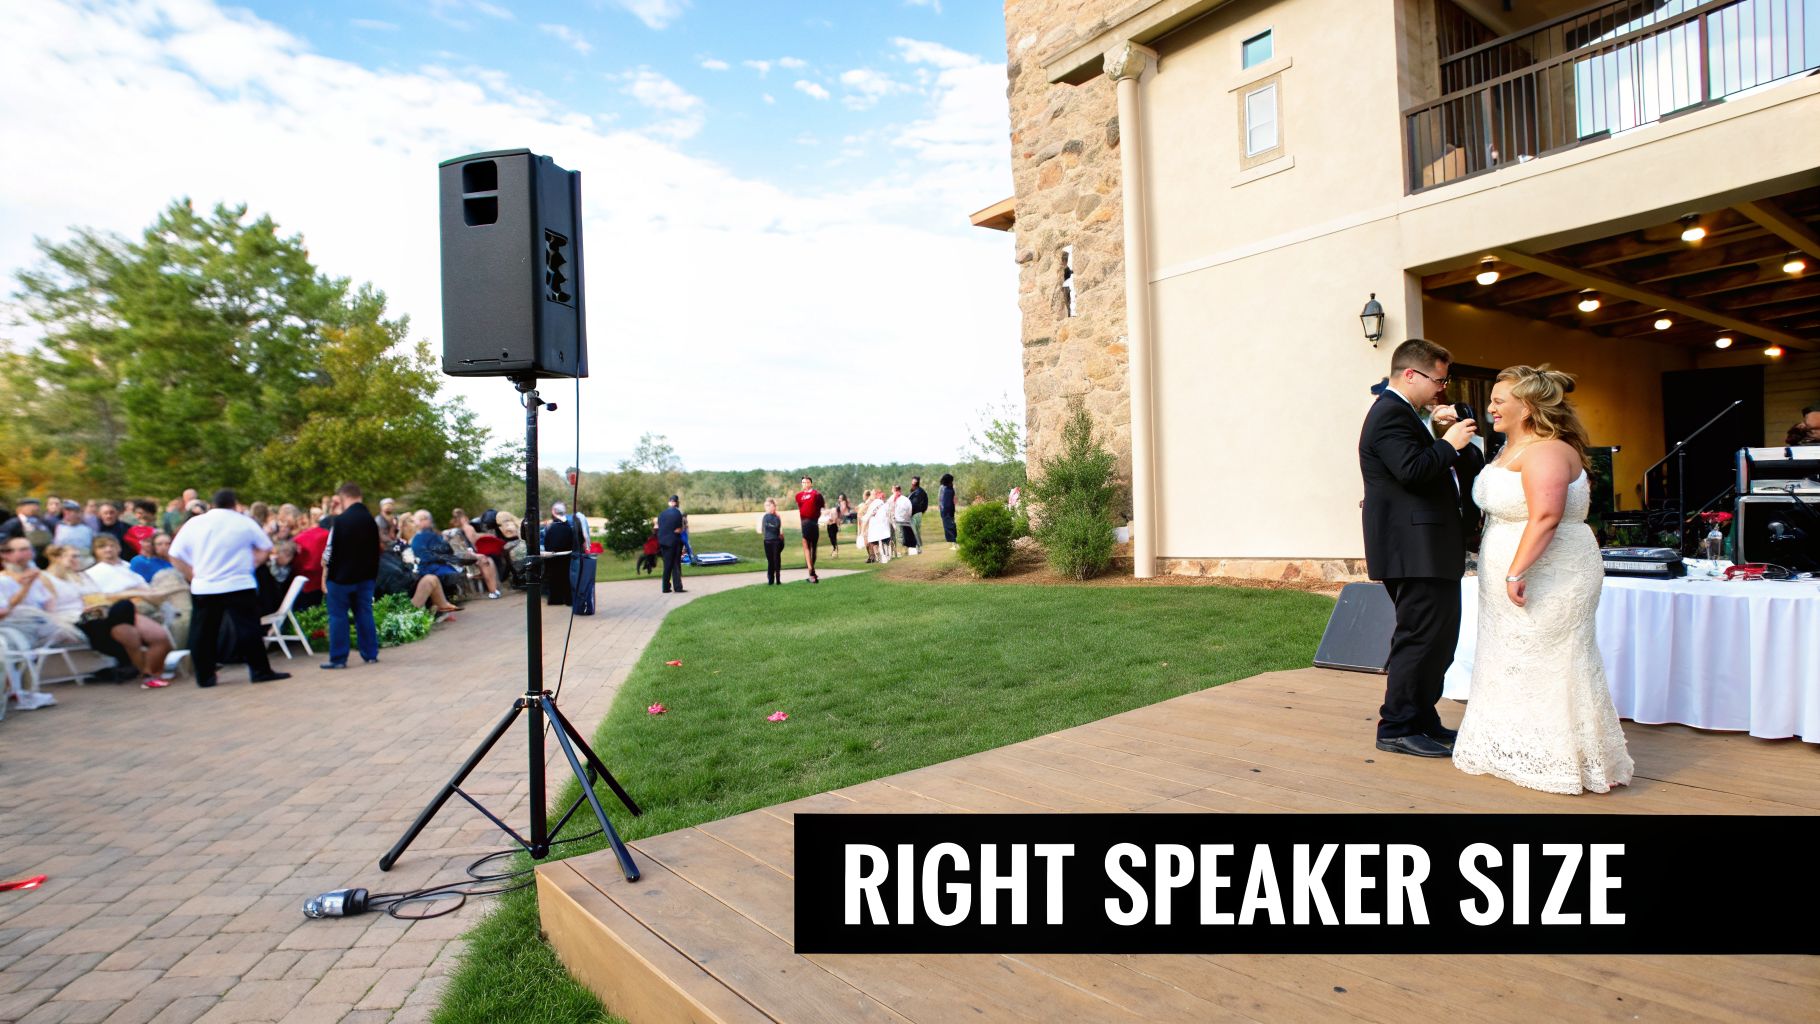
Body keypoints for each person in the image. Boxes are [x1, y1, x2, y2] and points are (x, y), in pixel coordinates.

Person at [1451, 366, 1634, 794]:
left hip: (1550, 572)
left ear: (1528, 407)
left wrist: (1517, 570)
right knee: (1512, 658)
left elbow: (1547, 516)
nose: (1491, 406)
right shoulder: (1507, 447)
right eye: (1492, 399)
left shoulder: (1547, 450)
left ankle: (1561, 758)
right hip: (1512, 570)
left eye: (1499, 400)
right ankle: (1513, 748)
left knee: (1553, 661)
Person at [1359, 338, 1485, 759]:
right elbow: (1413, 471)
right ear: (1410, 374)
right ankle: (1396, 726)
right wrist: (1447, 442)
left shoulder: (1410, 416)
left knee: (1439, 638)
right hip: (1412, 549)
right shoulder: (1388, 416)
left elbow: (1446, 468)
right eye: (1438, 379)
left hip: (1430, 547)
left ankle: (1420, 717)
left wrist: (1443, 434)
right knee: (1419, 637)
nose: (1441, 389)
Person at [170, 489, 290, 688]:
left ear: (212, 504)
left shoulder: (195, 523)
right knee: (248, 628)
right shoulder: (243, 522)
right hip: (238, 583)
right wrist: (252, 564)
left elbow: (174, 553)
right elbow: (265, 547)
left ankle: (205, 676)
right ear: (234, 504)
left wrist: (191, 575)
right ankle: (259, 671)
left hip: (205, 585)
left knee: (203, 632)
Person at [77, 535, 177, 687]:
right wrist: (131, 593)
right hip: (120, 610)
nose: (108, 549)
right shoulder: (91, 573)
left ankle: (153, 672)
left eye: (111, 545)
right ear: (95, 551)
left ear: (119, 547)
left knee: (162, 640)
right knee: (156, 637)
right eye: (102, 546)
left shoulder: (127, 566)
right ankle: (148, 674)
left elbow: (146, 588)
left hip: (147, 605)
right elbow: (95, 600)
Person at [320, 482, 382, 670]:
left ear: (344, 497)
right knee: (364, 613)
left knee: (338, 616)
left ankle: (338, 658)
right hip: (366, 576)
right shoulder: (371, 520)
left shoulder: (340, 521)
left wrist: (325, 572)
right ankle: (370, 654)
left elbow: (329, 550)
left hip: (341, 577)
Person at [794, 476, 826, 584]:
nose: (805, 484)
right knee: (806, 545)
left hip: (813, 522)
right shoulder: (798, 496)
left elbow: (822, 509)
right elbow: (801, 509)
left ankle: (811, 571)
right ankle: (812, 571)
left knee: (813, 548)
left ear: (811, 483)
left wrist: (820, 520)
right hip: (804, 523)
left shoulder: (816, 495)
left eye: (807, 482)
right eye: (803, 482)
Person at [542, 502, 575, 607]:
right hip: (567, 556)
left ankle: (556, 599)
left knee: (554, 577)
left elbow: (547, 542)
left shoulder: (551, 527)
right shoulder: (569, 526)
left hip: (553, 557)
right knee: (566, 578)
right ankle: (568, 598)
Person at [657, 495, 686, 594]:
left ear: (669, 502)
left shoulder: (661, 514)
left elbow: (660, 528)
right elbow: (678, 529)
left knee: (667, 565)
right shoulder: (677, 513)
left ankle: (665, 587)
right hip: (673, 541)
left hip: (662, 542)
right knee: (675, 564)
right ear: (677, 502)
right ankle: (677, 587)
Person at [53, 504, 96, 569]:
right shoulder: (59, 528)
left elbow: (90, 548)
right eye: (68, 513)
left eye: (76, 513)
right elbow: (56, 546)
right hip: (64, 564)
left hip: (85, 564)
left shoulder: (87, 530)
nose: (72, 515)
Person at [758, 498, 785, 585]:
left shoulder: (777, 517)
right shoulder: (765, 517)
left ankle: (778, 579)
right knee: (771, 561)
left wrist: (781, 539)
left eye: (768, 505)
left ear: (773, 506)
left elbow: (779, 530)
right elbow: (762, 530)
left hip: (776, 541)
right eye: (765, 506)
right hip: (767, 541)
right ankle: (770, 580)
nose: (767, 507)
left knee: (776, 560)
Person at [865, 486, 894, 562]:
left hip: (881, 525)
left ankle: (883, 555)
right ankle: (880, 556)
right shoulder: (872, 503)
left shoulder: (879, 503)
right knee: (876, 542)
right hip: (878, 525)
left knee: (882, 541)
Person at [890, 485, 916, 556]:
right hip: (906, 520)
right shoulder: (905, 499)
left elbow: (890, 511)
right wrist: (908, 518)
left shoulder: (892, 499)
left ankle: (899, 552)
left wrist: (893, 521)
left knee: (899, 537)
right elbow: (910, 509)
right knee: (906, 536)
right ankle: (906, 550)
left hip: (898, 521)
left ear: (893, 490)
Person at [907, 476, 929, 554]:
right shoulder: (913, 491)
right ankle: (914, 548)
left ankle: (917, 548)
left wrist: (921, 511)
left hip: (916, 513)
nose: (912, 483)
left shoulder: (919, 492)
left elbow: (920, 504)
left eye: (914, 482)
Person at [938, 473, 958, 546]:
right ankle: (952, 542)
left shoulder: (946, 489)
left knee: (949, 526)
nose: (952, 482)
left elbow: (946, 501)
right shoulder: (947, 488)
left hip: (947, 510)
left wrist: (943, 511)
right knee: (950, 525)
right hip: (948, 509)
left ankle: (954, 542)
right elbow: (941, 500)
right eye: (951, 480)